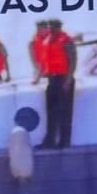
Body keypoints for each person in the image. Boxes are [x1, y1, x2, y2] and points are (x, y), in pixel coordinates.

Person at [37, 19, 77, 150]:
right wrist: (38, 77)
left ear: (59, 28)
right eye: (49, 27)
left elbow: (73, 61)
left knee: (64, 113)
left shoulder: (66, 41)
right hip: (52, 79)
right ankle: (50, 141)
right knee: (51, 112)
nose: (50, 30)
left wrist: (68, 80)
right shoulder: (47, 41)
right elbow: (44, 61)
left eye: (53, 27)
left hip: (63, 79)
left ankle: (64, 142)